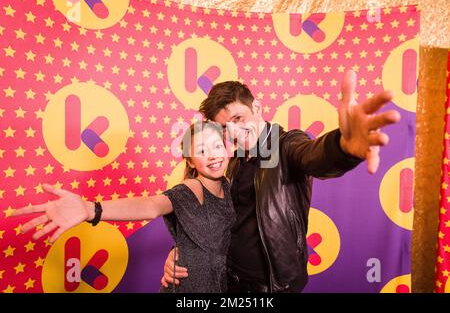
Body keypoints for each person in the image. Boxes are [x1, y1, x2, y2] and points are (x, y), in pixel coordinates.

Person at [160, 70, 401, 293]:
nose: (233, 132)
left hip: (273, 287)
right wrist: (184, 251)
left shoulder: (284, 146)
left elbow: (314, 156)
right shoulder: (232, 163)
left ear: (257, 108)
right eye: (224, 127)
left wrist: (342, 147)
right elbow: (218, 221)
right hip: (228, 283)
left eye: (239, 118)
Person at [12, 121, 236, 293]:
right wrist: (92, 209)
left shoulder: (229, 186)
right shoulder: (191, 189)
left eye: (217, 145)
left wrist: (178, 248)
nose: (213, 155)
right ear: (189, 160)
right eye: (202, 150)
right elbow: (151, 206)